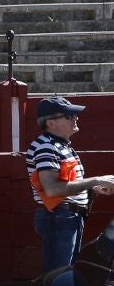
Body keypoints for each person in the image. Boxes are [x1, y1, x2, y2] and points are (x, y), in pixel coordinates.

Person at [25, 95, 114, 273]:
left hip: (65, 217)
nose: (75, 118)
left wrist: (92, 188)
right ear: (51, 123)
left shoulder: (58, 145)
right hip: (60, 217)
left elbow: (64, 184)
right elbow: (52, 189)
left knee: (64, 275)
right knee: (59, 276)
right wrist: (95, 180)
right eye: (68, 116)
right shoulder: (47, 146)